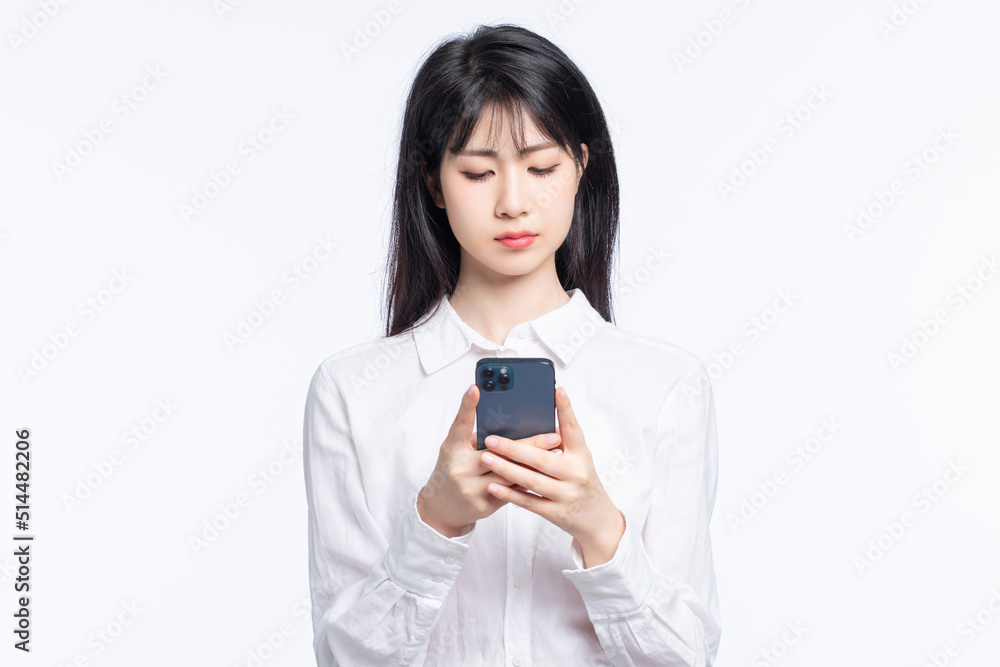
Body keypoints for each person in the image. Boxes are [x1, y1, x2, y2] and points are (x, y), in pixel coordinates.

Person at [302, 23, 721, 666]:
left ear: (582, 166)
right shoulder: (353, 390)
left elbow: (686, 658)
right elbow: (343, 657)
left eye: (542, 166)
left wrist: (597, 526)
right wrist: (434, 523)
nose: (513, 202)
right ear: (434, 183)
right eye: (477, 172)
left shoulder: (664, 385)